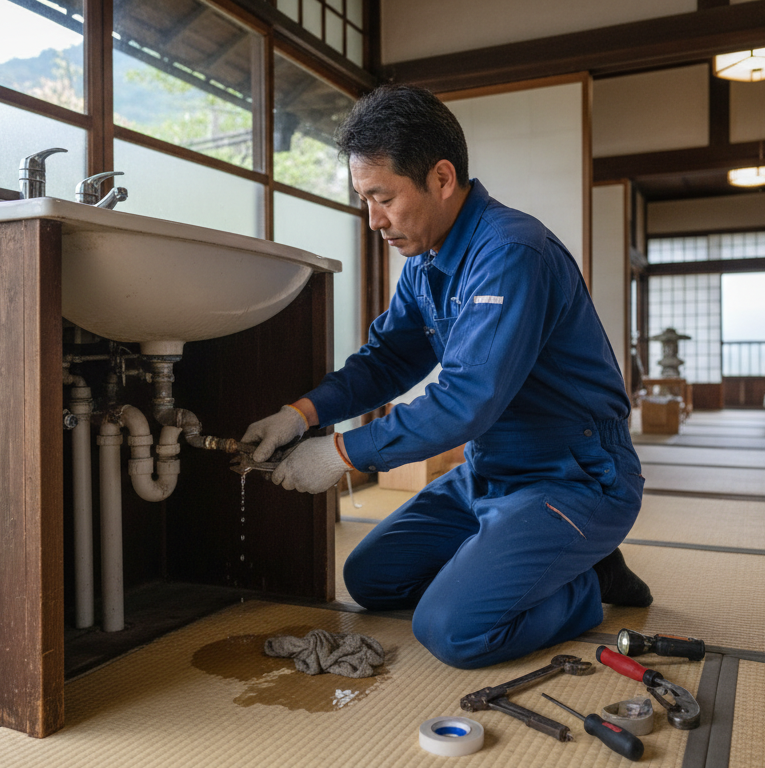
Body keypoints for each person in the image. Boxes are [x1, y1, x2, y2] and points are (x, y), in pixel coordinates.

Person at [242, 84, 651, 670]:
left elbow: (466, 401)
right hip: (490, 473)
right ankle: (533, 557)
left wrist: (340, 452)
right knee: (370, 578)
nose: (373, 220)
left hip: (576, 478)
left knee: (452, 630)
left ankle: (585, 581)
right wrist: (301, 414)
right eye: (364, 200)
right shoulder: (426, 260)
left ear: (440, 177)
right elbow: (387, 360)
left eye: (383, 198)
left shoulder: (512, 252)